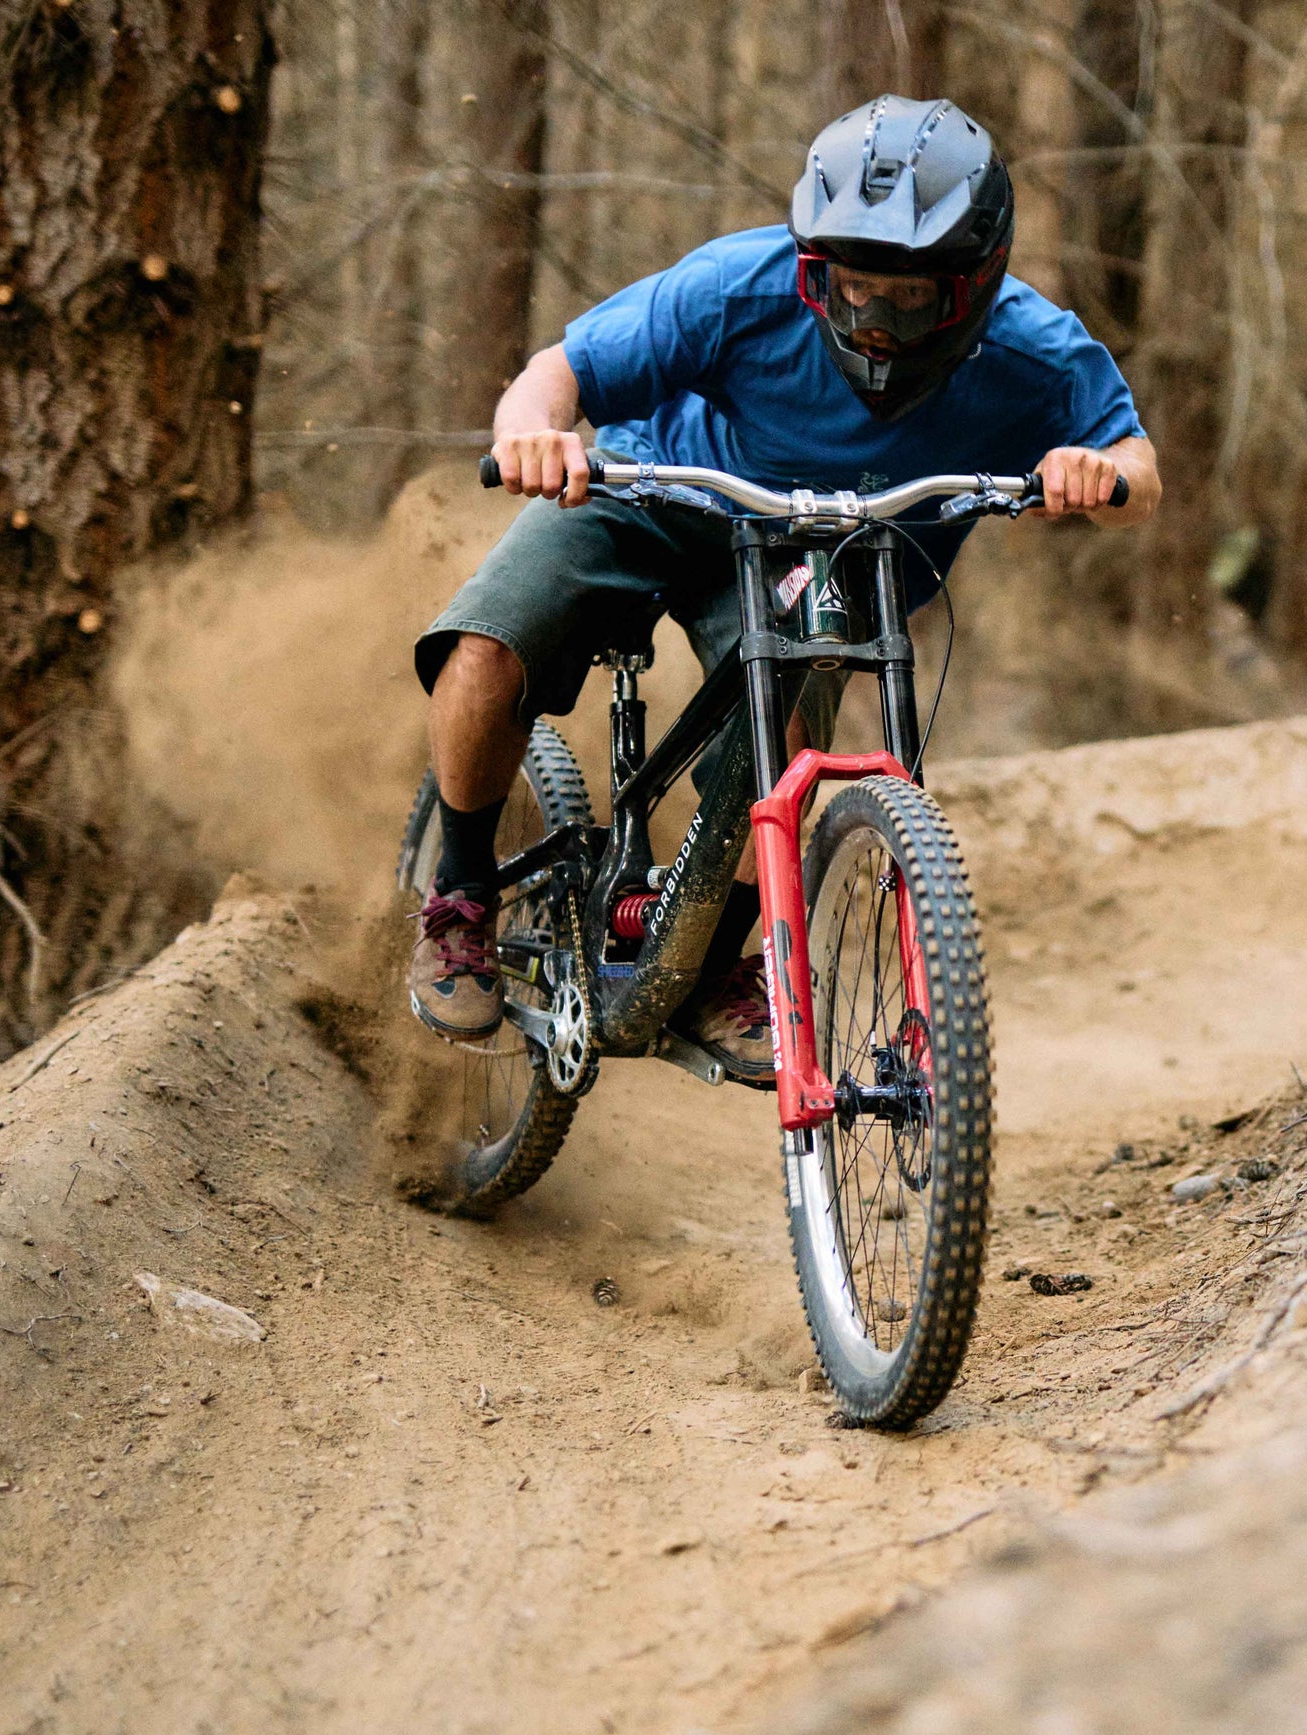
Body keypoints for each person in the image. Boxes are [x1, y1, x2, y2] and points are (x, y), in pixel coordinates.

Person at [409, 94, 1160, 1075]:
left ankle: (713, 962)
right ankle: (459, 895)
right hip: (660, 485)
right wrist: (535, 437)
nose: (876, 321)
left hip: (820, 550)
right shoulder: (739, 286)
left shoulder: (1034, 350)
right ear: (814, 271)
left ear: (972, 287)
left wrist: (1092, 478)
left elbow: (1136, 468)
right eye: (850, 288)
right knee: (491, 643)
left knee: (789, 724)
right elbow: (562, 371)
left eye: (909, 299)